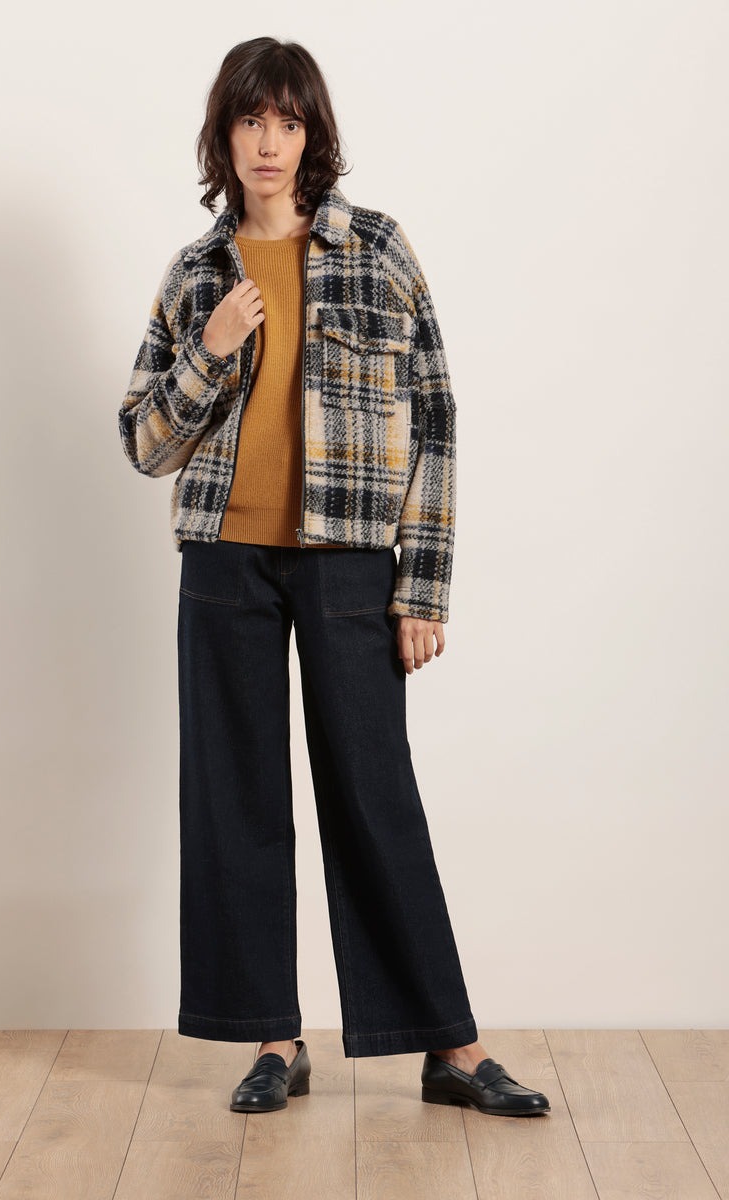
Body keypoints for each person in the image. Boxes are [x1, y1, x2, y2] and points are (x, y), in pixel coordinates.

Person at [119, 36, 549, 1119]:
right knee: (237, 800)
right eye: (248, 120)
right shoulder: (196, 274)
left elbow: (438, 417)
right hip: (222, 560)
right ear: (222, 136)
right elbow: (144, 443)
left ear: (312, 134)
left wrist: (423, 586)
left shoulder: (377, 248)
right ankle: (273, 1041)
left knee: (372, 791)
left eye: (287, 120)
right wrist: (213, 347)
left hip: (352, 560)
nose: (268, 142)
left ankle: (450, 1048)